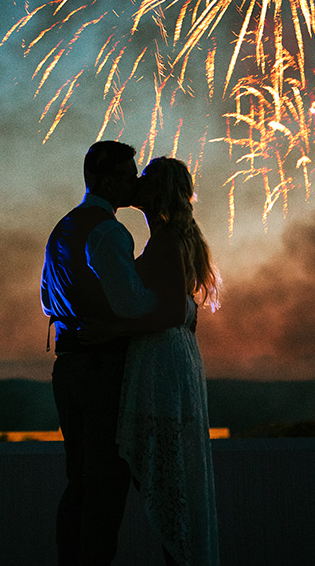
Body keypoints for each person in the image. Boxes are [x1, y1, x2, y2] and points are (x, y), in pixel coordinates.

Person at [85, 155, 221, 566]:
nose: (136, 184)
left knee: (168, 479)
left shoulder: (164, 241)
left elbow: (168, 314)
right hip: (174, 358)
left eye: (144, 179)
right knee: (171, 475)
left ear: (157, 191)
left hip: (162, 362)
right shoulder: (175, 237)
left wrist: (109, 332)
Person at [42, 139, 171, 566]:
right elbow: (129, 303)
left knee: (79, 480)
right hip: (102, 368)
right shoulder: (108, 230)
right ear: (102, 176)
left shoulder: (63, 228)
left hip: (68, 365)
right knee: (105, 485)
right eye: (125, 174)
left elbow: (47, 298)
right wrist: (176, 303)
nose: (132, 182)